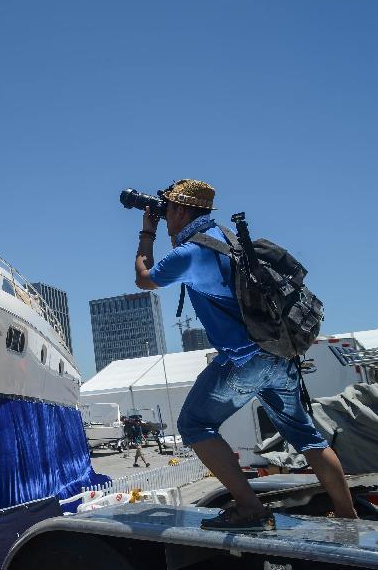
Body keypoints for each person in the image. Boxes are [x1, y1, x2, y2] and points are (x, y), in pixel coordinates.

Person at [134, 179, 357, 531]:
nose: (166, 217)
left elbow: (145, 278)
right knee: (308, 438)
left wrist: (147, 233)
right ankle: (348, 515)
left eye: (168, 210)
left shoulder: (190, 252)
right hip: (280, 354)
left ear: (179, 209)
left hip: (245, 360)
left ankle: (250, 508)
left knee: (195, 424)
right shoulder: (229, 240)